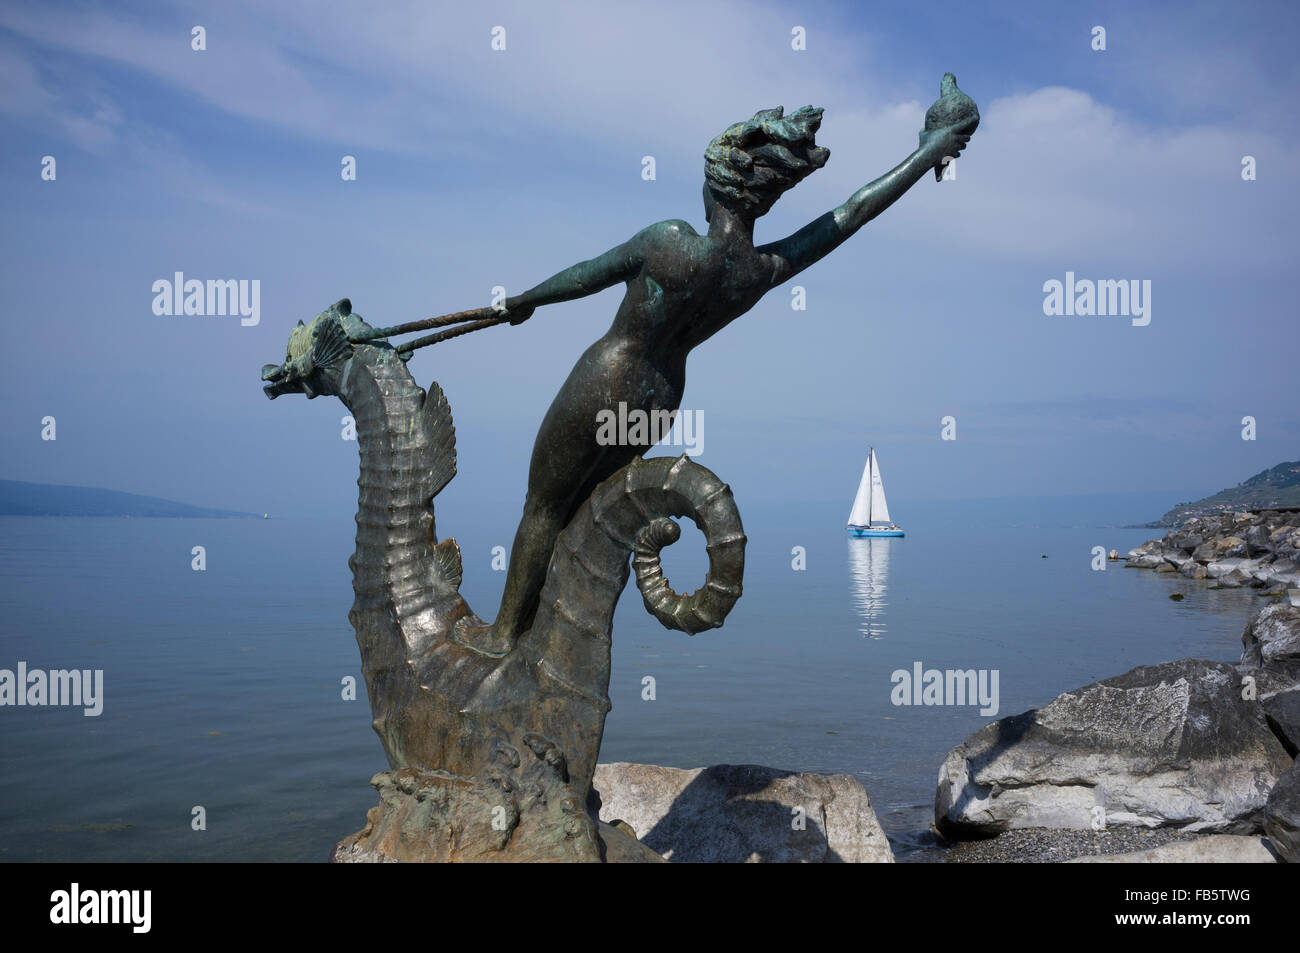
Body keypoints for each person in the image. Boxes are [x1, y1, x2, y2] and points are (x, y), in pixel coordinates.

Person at [458, 96, 977, 656]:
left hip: (608, 376)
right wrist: (926, 155)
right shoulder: (759, 271)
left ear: (718, 183)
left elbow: (589, 276)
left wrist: (524, 301)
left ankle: (505, 634)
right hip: (660, 397)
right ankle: (548, 638)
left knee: (544, 505)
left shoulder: (669, 240)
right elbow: (849, 213)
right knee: (585, 508)